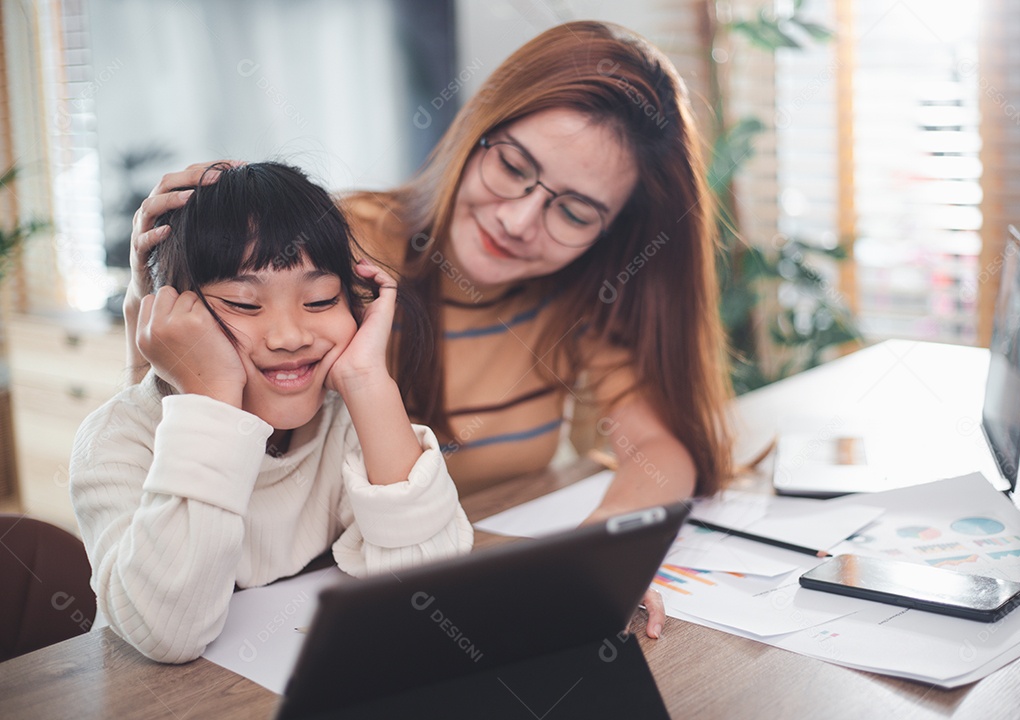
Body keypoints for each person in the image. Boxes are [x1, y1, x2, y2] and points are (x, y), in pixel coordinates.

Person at [123, 21, 735, 638]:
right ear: (475, 130)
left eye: (575, 211)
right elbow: (177, 418)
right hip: (281, 603)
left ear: (612, 234)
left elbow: (657, 448)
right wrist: (152, 291)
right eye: (514, 165)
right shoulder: (338, 253)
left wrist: (597, 559)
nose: (521, 220)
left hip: (432, 578)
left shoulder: (583, 290)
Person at [72, 162, 473, 664]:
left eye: (322, 298)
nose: (290, 337)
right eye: (244, 303)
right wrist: (213, 394)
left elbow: (430, 586)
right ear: (168, 320)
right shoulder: (118, 442)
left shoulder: (343, 421)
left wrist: (368, 380)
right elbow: (167, 633)